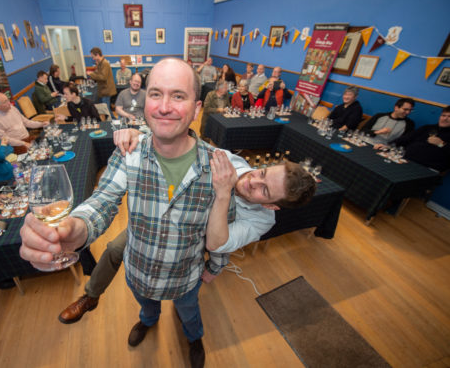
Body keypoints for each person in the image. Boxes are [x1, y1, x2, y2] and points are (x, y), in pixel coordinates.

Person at [20, 58, 233, 368]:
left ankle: (194, 337)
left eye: (178, 95)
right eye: (156, 94)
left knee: (190, 313)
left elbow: (227, 223)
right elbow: (103, 199)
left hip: (184, 277)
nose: (164, 106)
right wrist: (74, 229)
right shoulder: (130, 153)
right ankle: (148, 321)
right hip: (140, 272)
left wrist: (216, 266)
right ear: (145, 101)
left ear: (197, 108)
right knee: (147, 308)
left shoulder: (218, 166)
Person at [55, 129, 316, 329]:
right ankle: (96, 298)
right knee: (115, 248)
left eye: (264, 190)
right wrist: (140, 133)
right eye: (262, 173)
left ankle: (192, 337)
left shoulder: (262, 220)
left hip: (194, 246)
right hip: (162, 222)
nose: (251, 180)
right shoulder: (231, 161)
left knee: (188, 308)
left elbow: (219, 244)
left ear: (272, 207)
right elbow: (185, 143)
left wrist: (214, 267)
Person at [374, 106, 450, 172]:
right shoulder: (428, 128)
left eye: (449, 117)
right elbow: (407, 138)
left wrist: (441, 144)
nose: (445, 119)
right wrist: (389, 145)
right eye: (443, 115)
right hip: (405, 160)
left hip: (427, 169)